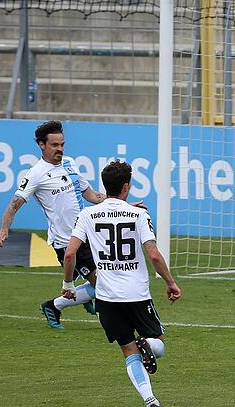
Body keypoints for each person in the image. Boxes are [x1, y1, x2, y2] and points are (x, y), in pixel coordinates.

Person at [0, 120, 144, 329]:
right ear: (41, 145)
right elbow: (14, 204)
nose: (60, 149)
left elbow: (91, 195)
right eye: (55, 145)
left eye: (62, 144)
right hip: (66, 242)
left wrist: (124, 205)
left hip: (88, 235)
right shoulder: (36, 174)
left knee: (107, 279)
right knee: (104, 284)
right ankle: (54, 306)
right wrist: (3, 230)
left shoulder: (70, 163)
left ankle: (70, 302)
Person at [62, 160, 181, 407]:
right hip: (136, 294)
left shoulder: (86, 215)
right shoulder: (139, 214)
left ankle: (150, 400)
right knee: (159, 343)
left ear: (105, 186)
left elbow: (70, 254)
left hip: (106, 298)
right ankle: (147, 343)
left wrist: (68, 285)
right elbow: (155, 255)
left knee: (128, 351)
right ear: (126, 187)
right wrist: (170, 282)